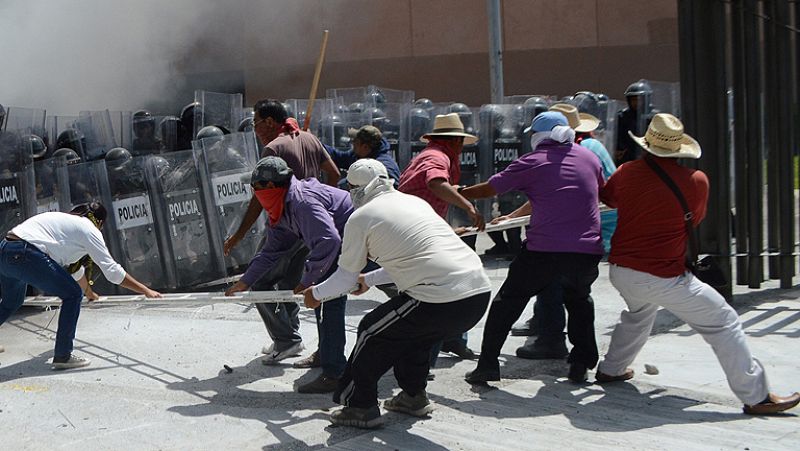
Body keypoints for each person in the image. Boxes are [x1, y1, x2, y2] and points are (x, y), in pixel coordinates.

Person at [595, 113, 800, 415]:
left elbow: (609, 198)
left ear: (648, 144)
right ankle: (757, 397)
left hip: (621, 271)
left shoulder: (626, 171)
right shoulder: (696, 181)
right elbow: (694, 219)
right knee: (724, 321)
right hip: (662, 274)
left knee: (639, 313)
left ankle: (612, 369)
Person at [303, 159, 491, 429]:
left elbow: (344, 278)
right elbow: (414, 258)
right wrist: (369, 279)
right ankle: (413, 397)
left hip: (440, 298)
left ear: (355, 190)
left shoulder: (361, 217)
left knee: (371, 331)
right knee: (412, 336)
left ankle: (360, 406)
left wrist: (316, 294)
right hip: (476, 292)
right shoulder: (414, 203)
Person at [461, 111, 604, 384]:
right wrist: (513, 217)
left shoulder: (533, 161)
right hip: (586, 252)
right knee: (579, 301)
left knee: (507, 302)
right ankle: (581, 363)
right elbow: (556, 194)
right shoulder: (589, 158)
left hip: (544, 251)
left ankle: (488, 364)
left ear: (539, 137)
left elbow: (491, 188)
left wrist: (458, 192)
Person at [224, 99, 341, 367]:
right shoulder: (309, 138)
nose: (255, 129)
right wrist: (320, 205)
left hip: (285, 225)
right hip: (311, 227)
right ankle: (288, 335)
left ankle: (286, 339)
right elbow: (334, 175)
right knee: (289, 280)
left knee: (260, 282)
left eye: (255, 122)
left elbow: (259, 196)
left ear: (268, 122)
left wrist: (239, 234)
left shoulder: (273, 148)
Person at [225, 156, 350, 394]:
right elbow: (272, 250)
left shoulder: (302, 202)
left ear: (271, 187)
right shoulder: (282, 208)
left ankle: (335, 373)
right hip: (340, 246)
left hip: (355, 243)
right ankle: (326, 354)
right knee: (320, 301)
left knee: (330, 302)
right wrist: (246, 281)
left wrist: (307, 281)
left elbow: (329, 241)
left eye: (256, 188)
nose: (254, 194)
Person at [509, 103, 617, 361]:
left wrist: (516, 215)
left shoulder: (578, 151)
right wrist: (515, 216)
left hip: (584, 231)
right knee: (566, 287)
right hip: (587, 227)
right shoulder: (586, 148)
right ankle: (544, 322)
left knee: (552, 280)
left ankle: (551, 338)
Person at [0, 202, 161, 368]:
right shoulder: (89, 230)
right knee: (72, 295)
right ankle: (63, 355)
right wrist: (145, 290)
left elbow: (75, 270)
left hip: (5, 249)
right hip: (24, 254)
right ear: (100, 223)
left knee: (11, 302)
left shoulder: (68, 224)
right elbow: (112, 271)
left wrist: (89, 293)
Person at [398, 112, 484, 362]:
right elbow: (436, 183)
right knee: (438, 292)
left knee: (450, 285)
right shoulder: (436, 156)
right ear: (456, 141)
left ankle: (452, 340)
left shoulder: (433, 154)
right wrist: (468, 206)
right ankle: (425, 355)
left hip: (422, 227)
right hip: (415, 232)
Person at [327, 125, 401, 187]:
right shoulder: (358, 155)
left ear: (365, 146)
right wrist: (318, 146)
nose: (352, 143)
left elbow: (392, 188)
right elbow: (339, 157)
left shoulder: (385, 166)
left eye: (355, 141)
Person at [614, 80, 654, 166]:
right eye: (633, 100)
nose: (636, 103)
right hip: (628, 159)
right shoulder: (622, 116)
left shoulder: (654, 116)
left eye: (639, 100)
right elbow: (618, 139)